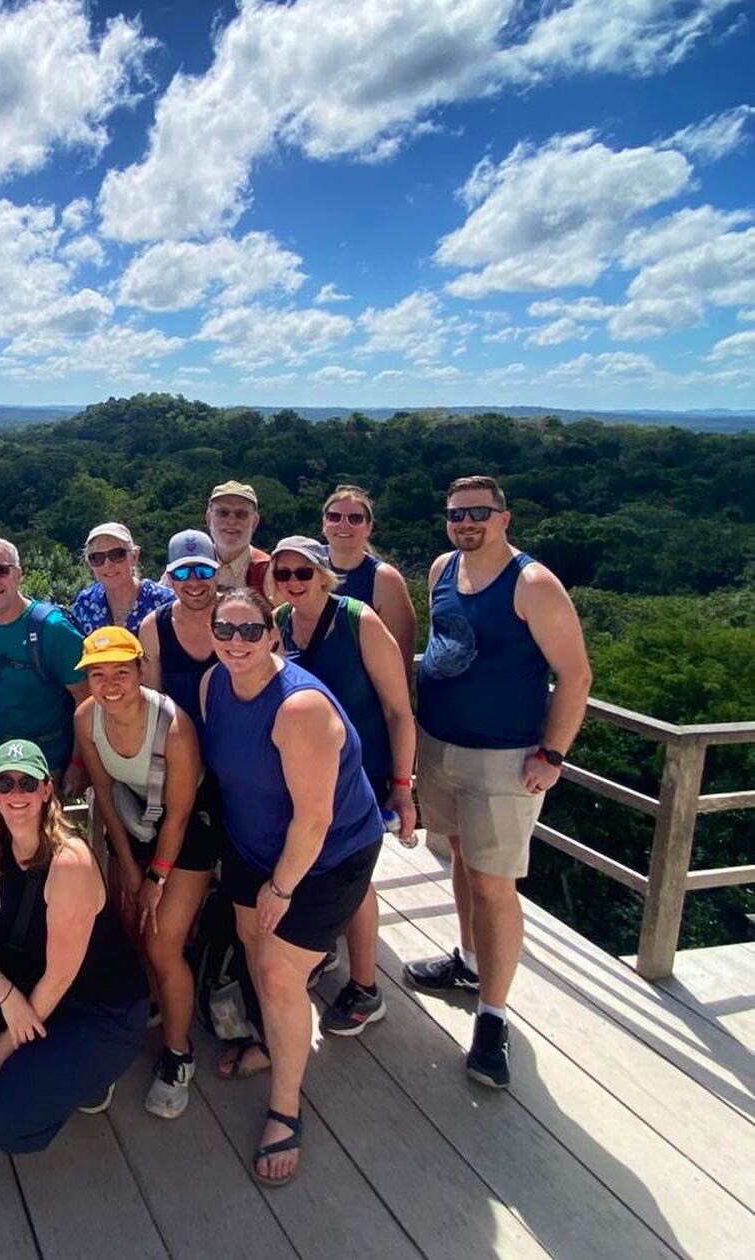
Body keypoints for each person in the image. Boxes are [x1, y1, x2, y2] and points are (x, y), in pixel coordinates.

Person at [405, 476, 591, 1090]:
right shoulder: (442, 569)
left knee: (495, 883)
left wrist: (554, 753)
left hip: (504, 756)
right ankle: (468, 960)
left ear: (505, 517)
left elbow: (575, 674)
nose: (466, 522)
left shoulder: (532, 584)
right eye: (457, 512)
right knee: (458, 855)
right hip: (439, 743)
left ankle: (493, 1014)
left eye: (479, 512)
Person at [199, 584, 384, 1187]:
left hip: (326, 858)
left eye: (250, 630)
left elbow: (315, 818)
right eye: (224, 630)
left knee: (281, 975)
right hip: (255, 846)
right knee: (253, 950)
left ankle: (286, 1107)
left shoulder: (298, 707)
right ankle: (276, 1044)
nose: (235, 642)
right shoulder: (212, 686)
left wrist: (280, 890)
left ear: (274, 636)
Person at [0, 740, 149, 1153]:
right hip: (35, 981)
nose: (17, 794)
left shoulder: (68, 862)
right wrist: (9, 998)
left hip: (98, 1008)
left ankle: (79, 1074)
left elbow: (61, 975)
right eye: (6, 784)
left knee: (6, 1125)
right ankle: (8, 1060)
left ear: (46, 790)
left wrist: (8, 1038)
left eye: (28, 783)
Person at [266, 536, 416, 1037]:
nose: (292, 583)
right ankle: (325, 948)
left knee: (357, 879)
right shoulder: (282, 623)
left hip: (363, 774)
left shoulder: (358, 620)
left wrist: (402, 785)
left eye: (303, 573)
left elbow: (399, 709)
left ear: (324, 574)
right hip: (308, 775)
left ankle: (366, 988)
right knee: (318, 866)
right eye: (283, 575)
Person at [71, 627, 213, 1119]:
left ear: (140, 672)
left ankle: (179, 1053)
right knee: (128, 924)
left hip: (186, 826)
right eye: (98, 673)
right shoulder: (87, 718)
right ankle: (148, 1003)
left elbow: (178, 815)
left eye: (120, 672)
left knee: (160, 942)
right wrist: (130, 872)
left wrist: (155, 879)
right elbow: (105, 795)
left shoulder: (173, 727)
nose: (110, 684)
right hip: (133, 823)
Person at [0, 537, 88, 782]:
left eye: (2, 570)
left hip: (49, 762)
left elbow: (86, 700)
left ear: (18, 573)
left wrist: (78, 762)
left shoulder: (53, 628)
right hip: (2, 759)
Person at [320, 484, 417, 663]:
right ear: (324, 523)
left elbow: (401, 654)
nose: (343, 524)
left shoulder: (384, 579)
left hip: (364, 687)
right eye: (334, 517)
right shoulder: (306, 567)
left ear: (369, 527)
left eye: (355, 518)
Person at [139, 529, 220, 729]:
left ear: (217, 572)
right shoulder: (153, 628)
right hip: (179, 740)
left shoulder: (240, 616)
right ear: (170, 578)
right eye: (182, 573)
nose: (193, 581)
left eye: (203, 571)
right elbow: (153, 703)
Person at [70, 521, 174, 635]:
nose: (107, 564)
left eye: (117, 554)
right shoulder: (85, 603)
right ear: (90, 564)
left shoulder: (164, 602)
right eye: (97, 558)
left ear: (134, 556)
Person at [205, 480, 271, 591]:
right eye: (223, 513)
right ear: (208, 518)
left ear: (255, 521)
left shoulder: (267, 571)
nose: (231, 521)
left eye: (241, 514)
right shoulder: (190, 565)